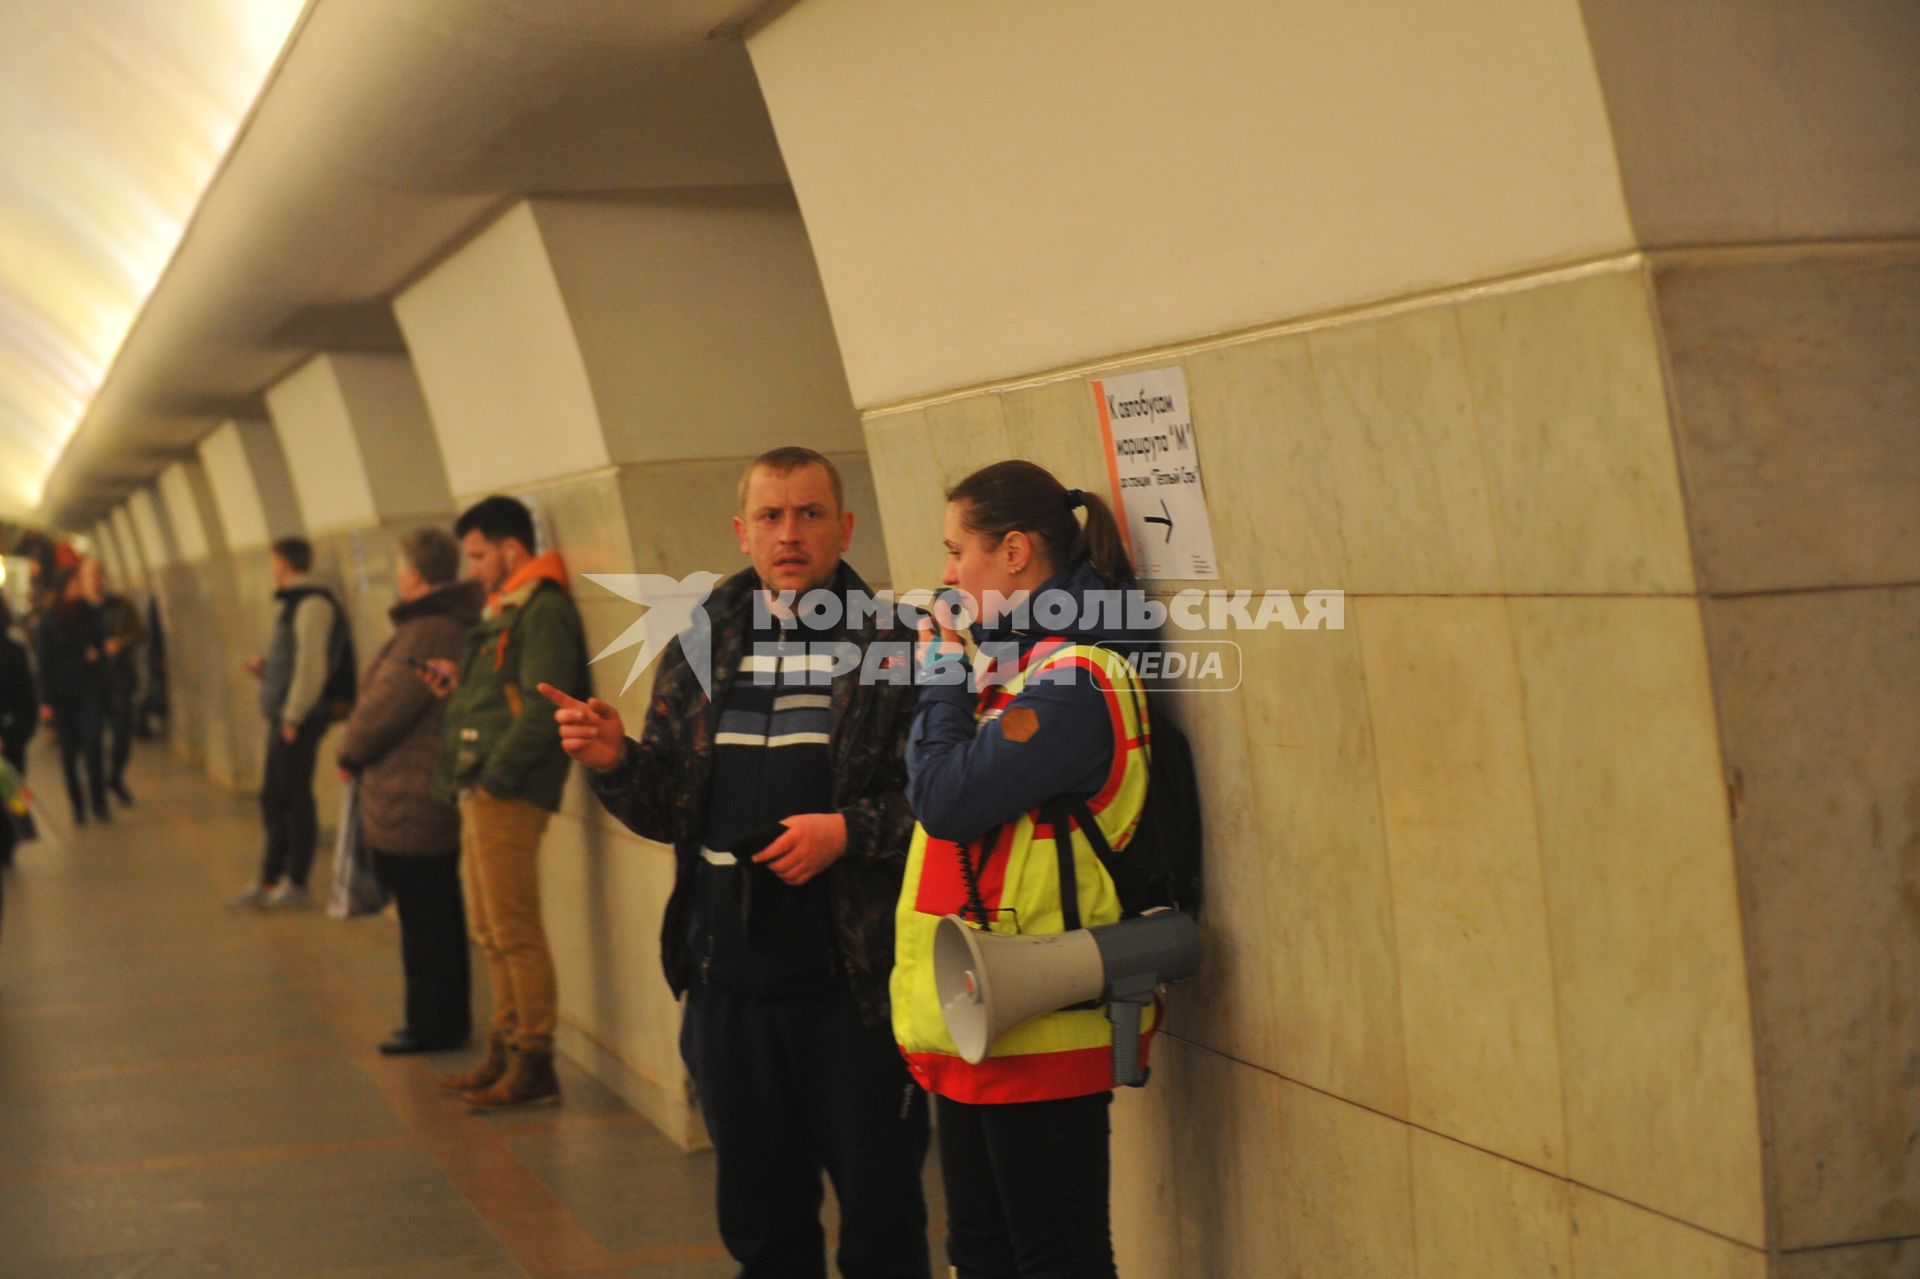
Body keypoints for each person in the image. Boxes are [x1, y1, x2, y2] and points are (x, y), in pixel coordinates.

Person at [546, 447, 931, 1278]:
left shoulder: (896, 640)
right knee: (761, 1227)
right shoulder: (701, 640)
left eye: (809, 513)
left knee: (882, 1221)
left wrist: (845, 831)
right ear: (742, 530)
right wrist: (616, 759)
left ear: (844, 525)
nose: (789, 533)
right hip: (728, 984)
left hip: (854, 992)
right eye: (770, 515)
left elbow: (935, 802)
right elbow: (669, 806)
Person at [892, 460, 1154, 1279]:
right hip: (981, 1008)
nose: (945, 575)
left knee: (1056, 1257)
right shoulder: (1014, 669)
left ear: (1013, 553)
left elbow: (942, 796)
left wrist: (937, 680)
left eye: (954, 551)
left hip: (1042, 1015)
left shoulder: (1075, 680)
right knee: (980, 1250)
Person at [429, 496, 587, 1108]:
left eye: (477, 555)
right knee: (489, 930)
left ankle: (534, 1057)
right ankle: (502, 1046)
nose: (473, 569)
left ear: (511, 549)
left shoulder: (542, 609)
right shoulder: (505, 608)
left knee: (515, 929)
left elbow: (546, 701)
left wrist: (496, 775)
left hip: (510, 791)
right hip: (482, 785)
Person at [337, 528, 484, 1055]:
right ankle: (439, 1018)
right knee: (433, 910)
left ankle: (433, 1024)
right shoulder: (441, 625)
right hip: (417, 789)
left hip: (412, 792)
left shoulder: (428, 631)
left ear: (415, 575)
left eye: (400, 567)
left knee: (427, 917)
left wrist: (348, 751)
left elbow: (386, 706)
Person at [232, 537, 354, 909]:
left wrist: (293, 715)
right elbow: (296, 663)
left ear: (283, 563)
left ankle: (295, 880)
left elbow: (312, 665)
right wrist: (268, 671)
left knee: (292, 796)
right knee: (276, 797)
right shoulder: (296, 603)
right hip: (290, 713)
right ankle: (271, 877)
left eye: (273, 561)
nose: (271, 568)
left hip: (299, 717)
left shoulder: (313, 603)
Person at [35, 568, 111, 826]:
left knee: (93, 748)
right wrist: (45, 701)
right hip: (62, 694)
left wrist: (96, 655)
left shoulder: (90, 614)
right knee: (68, 753)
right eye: (75, 583)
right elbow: (43, 664)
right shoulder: (49, 620)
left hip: (88, 690)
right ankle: (77, 806)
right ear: (64, 586)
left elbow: (102, 644)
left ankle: (98, 803)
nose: (78, 587)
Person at [78, 557, 144, 805]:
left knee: (122, 735)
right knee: (92, 740)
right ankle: (97, 795)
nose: (94, 579)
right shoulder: (77, 609)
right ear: (82, 579)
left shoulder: (119, 605)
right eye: (89, 574)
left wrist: (121, 642)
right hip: (90, 683)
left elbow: (139, 631)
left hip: (119, 678)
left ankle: (115, 776)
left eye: (98, 573)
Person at [1, 596, 37, 873]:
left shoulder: (13, 654)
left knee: (9, 804)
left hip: (7, 742)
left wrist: (10, 739)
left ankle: (7, 845)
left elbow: (27, 708)